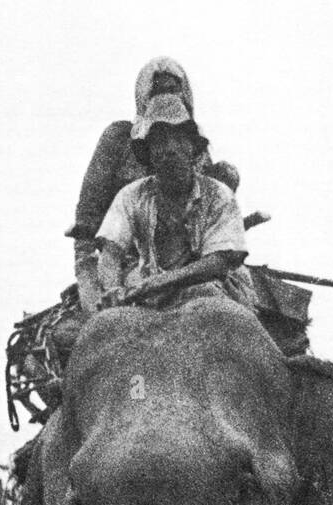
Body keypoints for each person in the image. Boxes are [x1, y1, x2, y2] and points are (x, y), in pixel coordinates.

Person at [69, 57, 239, 313]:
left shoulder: (207, 173)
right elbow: (91, 221)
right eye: (158, 90)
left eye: (173, 90)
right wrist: (96, 276)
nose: (170, 151)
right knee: (102, 324)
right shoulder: (119, 146)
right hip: (129, 260)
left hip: (191, 264)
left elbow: (215, 236)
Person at [96, 96, 254, 313]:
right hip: (148, 292)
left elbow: (218, 262)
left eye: (179, 140)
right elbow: (111, 252)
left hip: (206, 289)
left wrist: (159, 283)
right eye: (160, 142)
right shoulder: (131, 195)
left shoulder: (219, 195)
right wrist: (112, 288)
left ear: (193, 148)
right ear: (149, 153)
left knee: (219, 311)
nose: (171, 150)